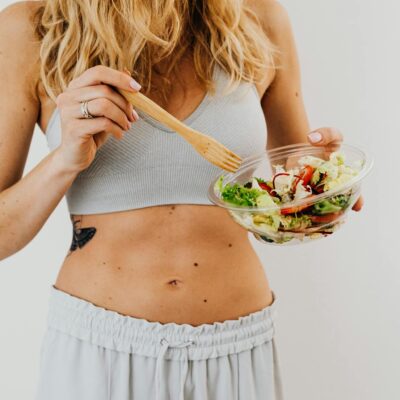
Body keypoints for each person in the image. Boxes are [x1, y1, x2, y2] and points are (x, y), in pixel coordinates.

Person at [0, 1, 362, 399]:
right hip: (99, 350)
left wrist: (322, 187)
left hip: (238, 348)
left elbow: (291, 196)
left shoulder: (259, 17)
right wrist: (64, 160)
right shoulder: (34, 25)